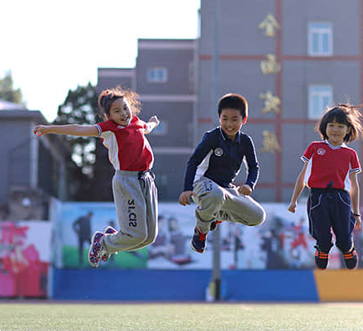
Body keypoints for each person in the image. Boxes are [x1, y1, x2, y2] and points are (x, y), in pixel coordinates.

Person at [33, 86, 160, 268]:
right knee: (137, 235)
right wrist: (50, 129)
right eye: (117, 111)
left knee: (148, 238)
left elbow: (146, 127)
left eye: (125, 108)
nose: (124, 113)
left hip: (147, 180)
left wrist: (154, 122)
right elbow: (78, 129)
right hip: (128, 181)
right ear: (109, 116)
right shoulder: (109, 129)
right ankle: (103, 243)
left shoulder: (136, 121)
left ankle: (107, 239)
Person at [178, 93, 266, 253]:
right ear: (219, 118)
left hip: (226, 189)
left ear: (243, 120)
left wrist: (249, 184)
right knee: (216, 195)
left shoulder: (246, 141)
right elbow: (193, 161)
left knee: (258, 216)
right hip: (202, 184)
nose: (229, 124)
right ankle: (201, 231)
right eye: (224, 119)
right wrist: (187, 188)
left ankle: (214, 216)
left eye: (234, 119)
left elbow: (254, 167)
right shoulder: (212, 137)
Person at [287, 103, 363, 270]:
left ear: (348, 130)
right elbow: (302, 176)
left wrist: (356, 213)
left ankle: (348, 249)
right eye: (331, 125)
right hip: (318, 197)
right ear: (324, 127)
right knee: (322, 236)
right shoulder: (315, 148)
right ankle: (322, 249)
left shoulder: (350, 154)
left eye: (340, 126)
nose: (335, 129)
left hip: (340, 199)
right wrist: (294, 200)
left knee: (343, 238)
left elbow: (354, 186)